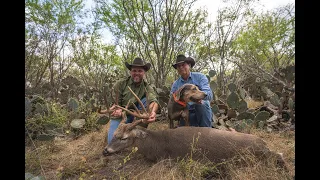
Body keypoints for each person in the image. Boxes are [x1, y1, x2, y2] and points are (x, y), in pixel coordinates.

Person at [106, 57, 159, 144]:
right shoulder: (121, 84)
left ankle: (139, 130)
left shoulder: (147, 87)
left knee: (147, 100)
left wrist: (152, 112)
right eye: (134, 71)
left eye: (140, 71)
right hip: (121, 115)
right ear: (130, 72)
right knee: (112, 142)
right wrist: (116, 110)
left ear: (144, 72)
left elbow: (154, 101)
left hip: (137, 117)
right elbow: (115, 104)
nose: (137, 73)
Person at [170, 54, 213, 127]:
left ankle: (205, 130)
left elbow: (209, 95)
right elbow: (172, 100)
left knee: (203, 104)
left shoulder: (200, 77)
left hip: (200, 111)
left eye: (183, 65)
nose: (181, 67)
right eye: (178, 66)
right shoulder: (175, 85)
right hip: (185, 113)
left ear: (189, 65)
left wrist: (198, 97)